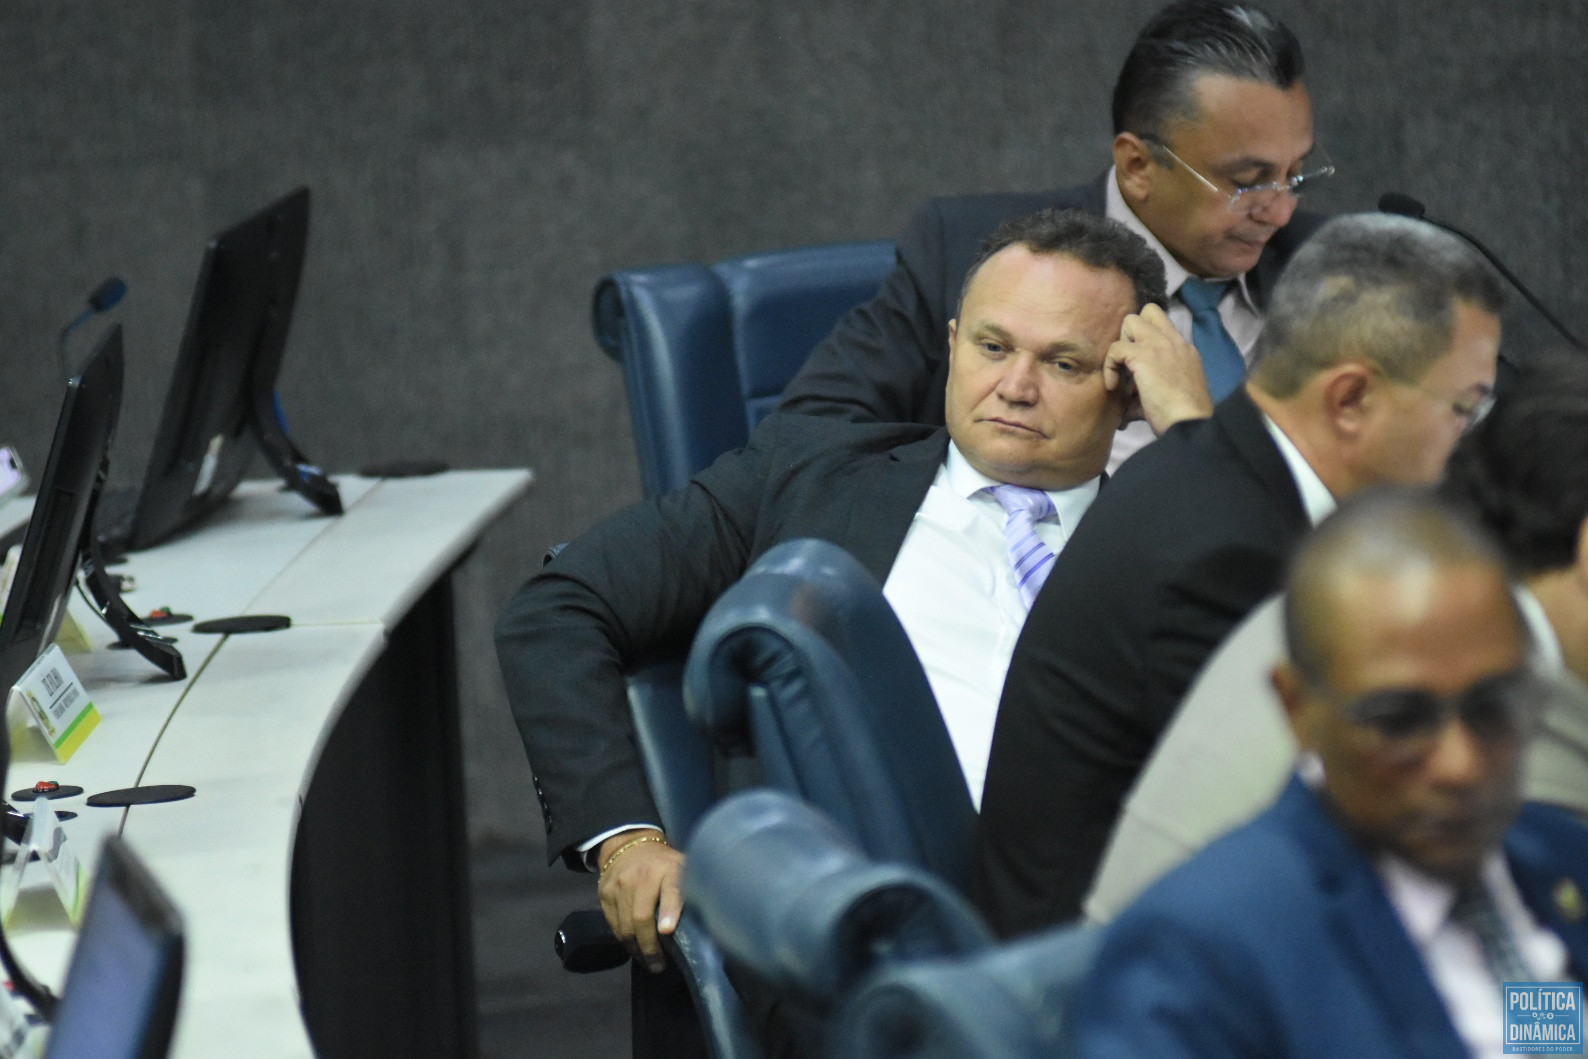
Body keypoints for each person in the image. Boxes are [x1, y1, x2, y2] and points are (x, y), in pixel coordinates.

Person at [495, 209, 1211, 972]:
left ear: (1128, 389)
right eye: (992, 346)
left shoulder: (1178, 537)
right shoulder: (810, 475)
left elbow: (1303, 677)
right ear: (950, 343)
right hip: (852, 943)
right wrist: (626, 841)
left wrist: (1199, 437)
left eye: (1064, 364)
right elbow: (560, 607)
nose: (1016, 387)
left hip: (1108, 941)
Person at [971, 211, 1506, 936]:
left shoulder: (1211, 474)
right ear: (1350, 399)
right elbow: (1290, 845)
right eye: (1464, 407)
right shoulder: (1228, 557)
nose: (1469, 445)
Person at [1069, 489, 1588, 1059]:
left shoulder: (1556, 861)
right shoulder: (1203, 953)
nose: (1460, 765)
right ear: (1298, 710)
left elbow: (1539, 1030)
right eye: (1399, 721)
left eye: (1493, 707)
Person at [1083, 351, 1588, 926]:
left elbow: (1542, 1005)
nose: (1453, 762)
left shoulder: (1366, 604)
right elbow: (1542, 1009)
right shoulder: (1502, 741)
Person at [780, 0, 1330, 470]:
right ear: (1138, 165)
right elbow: (814, 432)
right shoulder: (973, 250)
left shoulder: (1334, 271)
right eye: (1248, 183)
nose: (1279, 211)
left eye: (1295, 174)